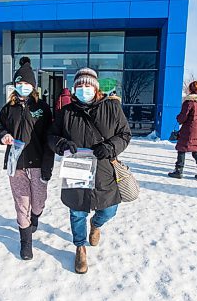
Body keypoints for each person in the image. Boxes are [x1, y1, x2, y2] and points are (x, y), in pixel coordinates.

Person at [48, 68, 131, 274]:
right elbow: (51, 136)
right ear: (74, 89)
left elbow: (125, 134)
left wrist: (111, 147)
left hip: (104, 170)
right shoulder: (66, 112)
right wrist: (61, 143)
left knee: (110, 209)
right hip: (76, 169)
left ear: (96, 88)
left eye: (88, 85)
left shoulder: (112, 107)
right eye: (80, 86)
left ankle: (96, 224)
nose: (84, 89)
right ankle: (80, 247)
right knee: (77, 212)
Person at [0, 61, 54, 260]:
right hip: (17, 164)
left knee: (38, 203)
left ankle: (35, 217)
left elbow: (50, 138)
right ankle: (26, 243)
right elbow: (0, 127)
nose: (23, 87)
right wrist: (3, 135)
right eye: (20, 83)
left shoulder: (43, 108)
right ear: (15, 85)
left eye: (27, 84)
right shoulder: (7, 109)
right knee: (21, 204)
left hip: (38, 163)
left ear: (33, 86)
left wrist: (48, 166)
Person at [168, 81, 197, 180]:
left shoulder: (189, 102)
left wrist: (178, 118)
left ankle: (178, 170)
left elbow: (183, 117)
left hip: (189, 129)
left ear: (190, 89)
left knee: (181, 148)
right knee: (196, 149)